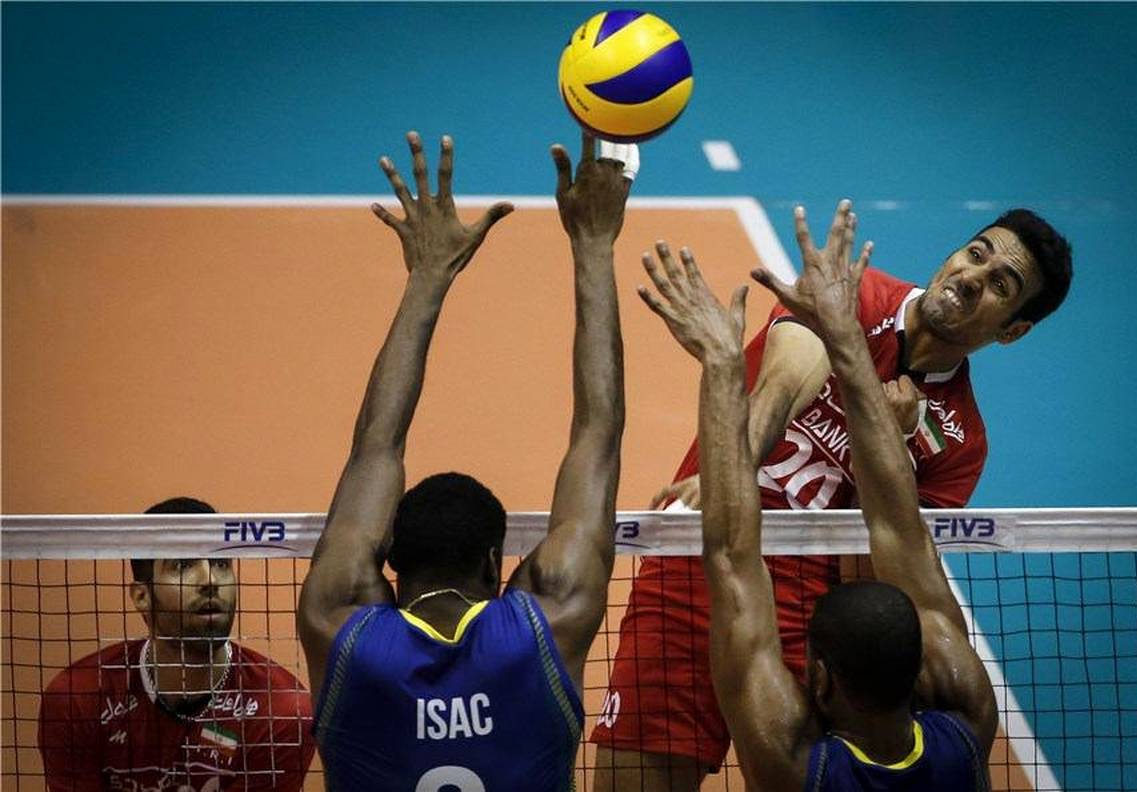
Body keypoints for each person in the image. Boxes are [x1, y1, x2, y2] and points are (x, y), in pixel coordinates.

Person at [592, 200, 1071, 787]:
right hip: (699, 572)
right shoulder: (858, 295)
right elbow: (784, 380)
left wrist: (891, 450)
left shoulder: (959, 441)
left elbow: (885, 566)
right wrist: (731, 469)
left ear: (1013, 330)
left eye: (1001, 284)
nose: (973, 277)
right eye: (976, 253)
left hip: (819, 633)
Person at [297, 131, 630, 790]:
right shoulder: (546, 624)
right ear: (494, 563)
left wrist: (428, 276)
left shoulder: (340, 627)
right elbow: (598, 434)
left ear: (388, 559)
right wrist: (593, 243)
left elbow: (375, 448)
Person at [38, 496, 316, 791]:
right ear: (142, 596)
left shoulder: (282, 711)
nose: (210, 580)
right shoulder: (76, 698)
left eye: (221, 563)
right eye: (183, 565)